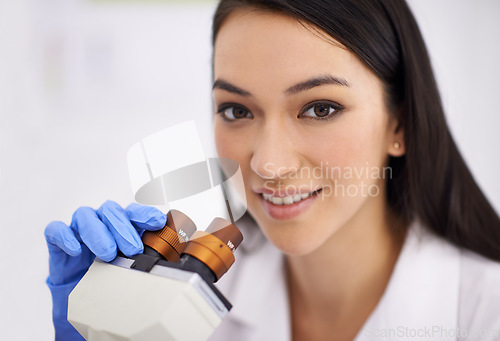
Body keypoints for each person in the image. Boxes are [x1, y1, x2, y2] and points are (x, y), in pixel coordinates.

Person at [44, 0, 500, 340]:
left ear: (399, 121)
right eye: (237, 111)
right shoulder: (178, 302)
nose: (268, 164)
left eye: (320, 108)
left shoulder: (483, 312)